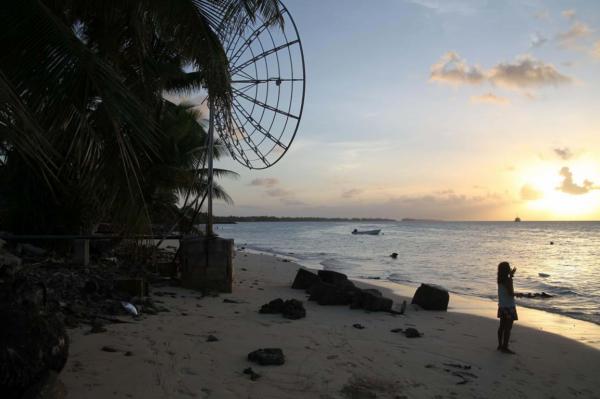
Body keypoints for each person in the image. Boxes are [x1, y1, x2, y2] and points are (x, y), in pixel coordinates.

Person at [497, 261, 518, 354]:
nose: (510, 268)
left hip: (502, 306)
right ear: (507, 270)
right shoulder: (508, 280)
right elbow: (511, 293)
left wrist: (511, 276)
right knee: (508, 328)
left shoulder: (500, 279)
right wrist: (520, 294)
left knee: (502, 326)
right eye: (509, 267)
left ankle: (500, 345)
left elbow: (506, 290)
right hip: (509, 307)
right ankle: (505, 348)